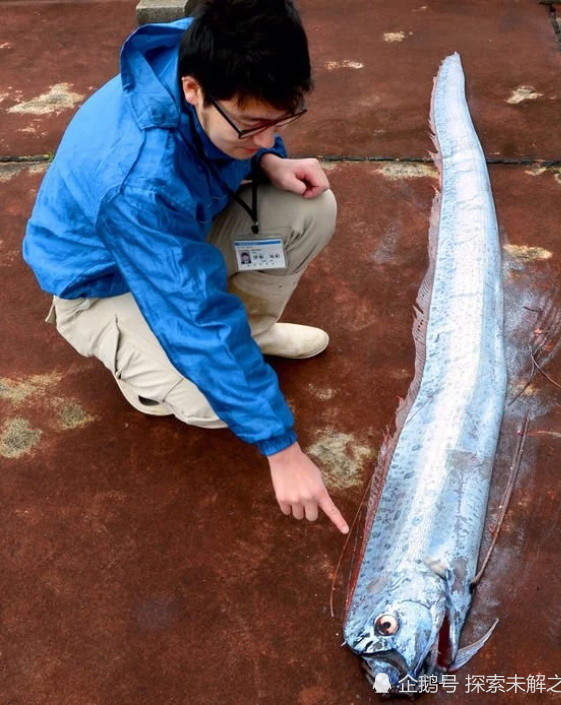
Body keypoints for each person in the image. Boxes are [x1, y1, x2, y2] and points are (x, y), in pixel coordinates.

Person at [22, 0, 349, 534]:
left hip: (176, 233)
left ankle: (252, 334)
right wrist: (281, 449)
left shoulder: (204, 42)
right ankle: (147, 375)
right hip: (105, 282)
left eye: (281, 121)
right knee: (211, 401)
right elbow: (191, 312)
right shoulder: (137, 181)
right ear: (194, 89)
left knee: (310, 207)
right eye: (251, 127)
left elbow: (249, 125)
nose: (266, 136)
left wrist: (270, 158)